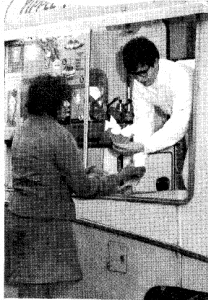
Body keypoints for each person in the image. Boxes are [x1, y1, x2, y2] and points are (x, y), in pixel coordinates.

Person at [4, 74, 145, 298]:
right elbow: (83, 189)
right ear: (53, 102)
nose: (66, 106)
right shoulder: (60, 136)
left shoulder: (23, 130)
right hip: (49, 230)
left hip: (20, 222)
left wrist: (87, 172)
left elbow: (45, 175)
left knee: (28, 294)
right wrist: (120, 176)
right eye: (63, 101)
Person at [121, 36, 194, 189]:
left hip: (207, 116)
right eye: (135, 74)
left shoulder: (178, 75)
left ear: (156, 61)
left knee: (193, 177)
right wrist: (138, 167)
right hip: (188, 123)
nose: (141, 79)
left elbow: (180, 123)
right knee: (187, 177)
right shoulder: (139, 83)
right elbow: (143, 122)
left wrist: (143, 147)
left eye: (143, 72)